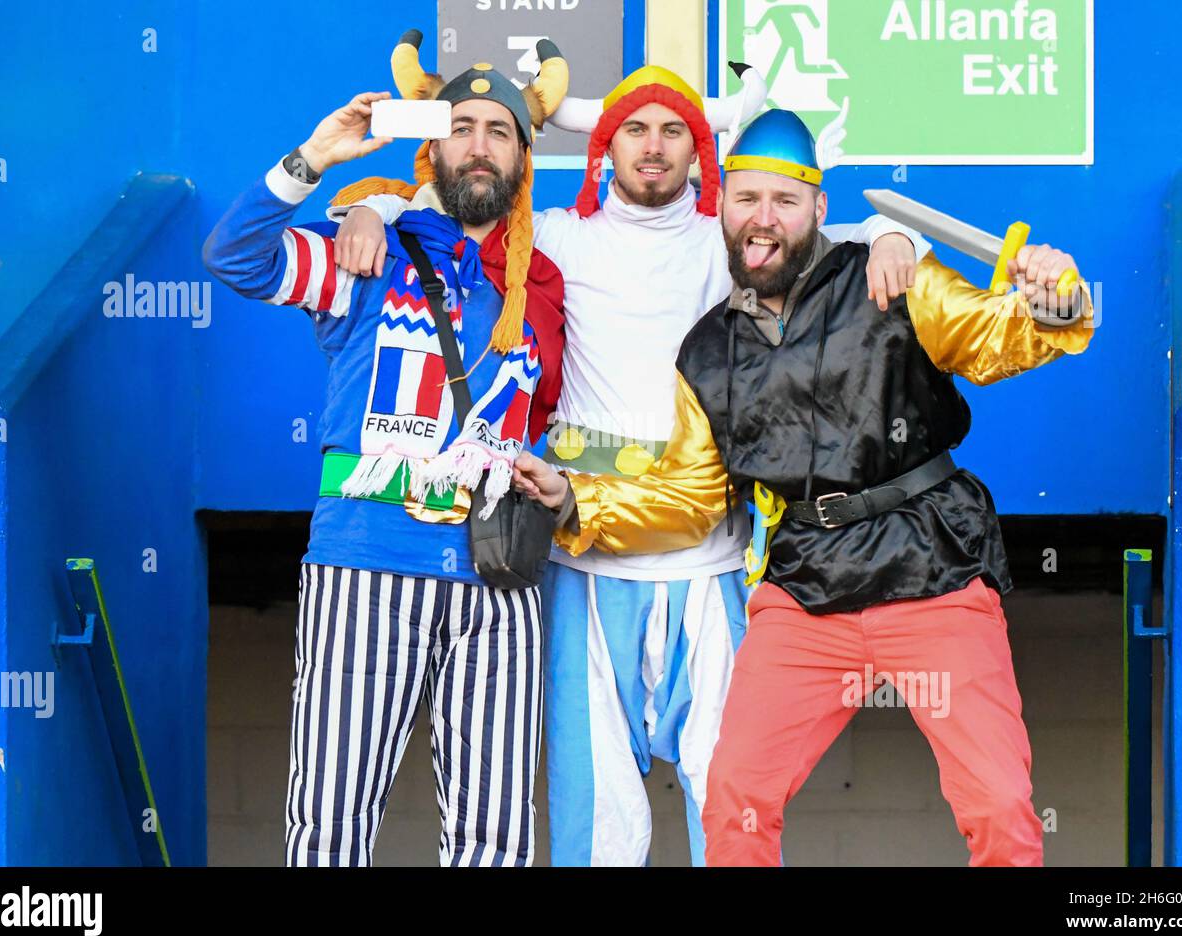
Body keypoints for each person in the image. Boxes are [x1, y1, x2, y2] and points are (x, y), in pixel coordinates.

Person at [327, 52, 928, 866]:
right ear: (605, 145)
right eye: (635, 129)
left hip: (712, 561)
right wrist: (373, 207)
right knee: (596, 820)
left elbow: (844, 238)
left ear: (696, 150)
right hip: (585, 562)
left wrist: (894, 234)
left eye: (673, 130)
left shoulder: (735, 240)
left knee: (733, 803)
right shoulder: (557, 240)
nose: (653, 145)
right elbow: (457, 204)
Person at [513, 108, 1096, 867]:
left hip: (932, 569)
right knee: (737, 796)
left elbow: (998, 337)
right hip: (807, 587)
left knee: (997, 802)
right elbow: (690, 496)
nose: (763, 220)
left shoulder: (890, 280)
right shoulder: (708, 351)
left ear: (819, 210)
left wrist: (1054, 294)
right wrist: (574, 502)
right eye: (747, 200)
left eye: (784, 202)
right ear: (719, 205)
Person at [202, 36, 570, 866]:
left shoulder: (543, 288)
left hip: (498, 583)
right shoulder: (368, 254)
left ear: (521, 159)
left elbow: (556, 428)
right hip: (366, 565)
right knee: (329, 827)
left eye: (499, 131)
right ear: (431, 148)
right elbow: (235, 256)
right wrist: (318, 162)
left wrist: (565, 487)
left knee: (497, 840)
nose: (480, 143)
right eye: (463, 126)